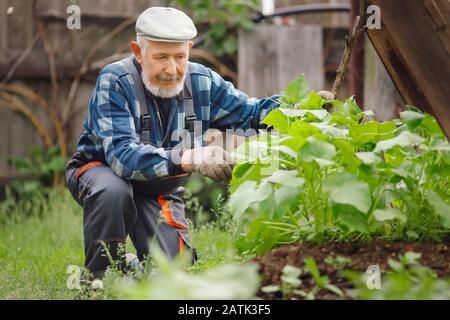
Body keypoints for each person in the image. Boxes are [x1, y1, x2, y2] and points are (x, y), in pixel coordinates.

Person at [65, 6, 334, 279]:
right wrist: (190, 157)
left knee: (174, 273)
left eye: (180, 56)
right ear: (138, 51)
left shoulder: (202, 82)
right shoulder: (116, 81)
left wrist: (303, 109)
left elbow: (251, 114)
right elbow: (122, 157)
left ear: (190, 49)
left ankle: (129, 265)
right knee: (114, 191)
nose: (172, 69)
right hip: (101, 172)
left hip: (157, 188)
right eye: (160, 57)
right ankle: (95, 279)